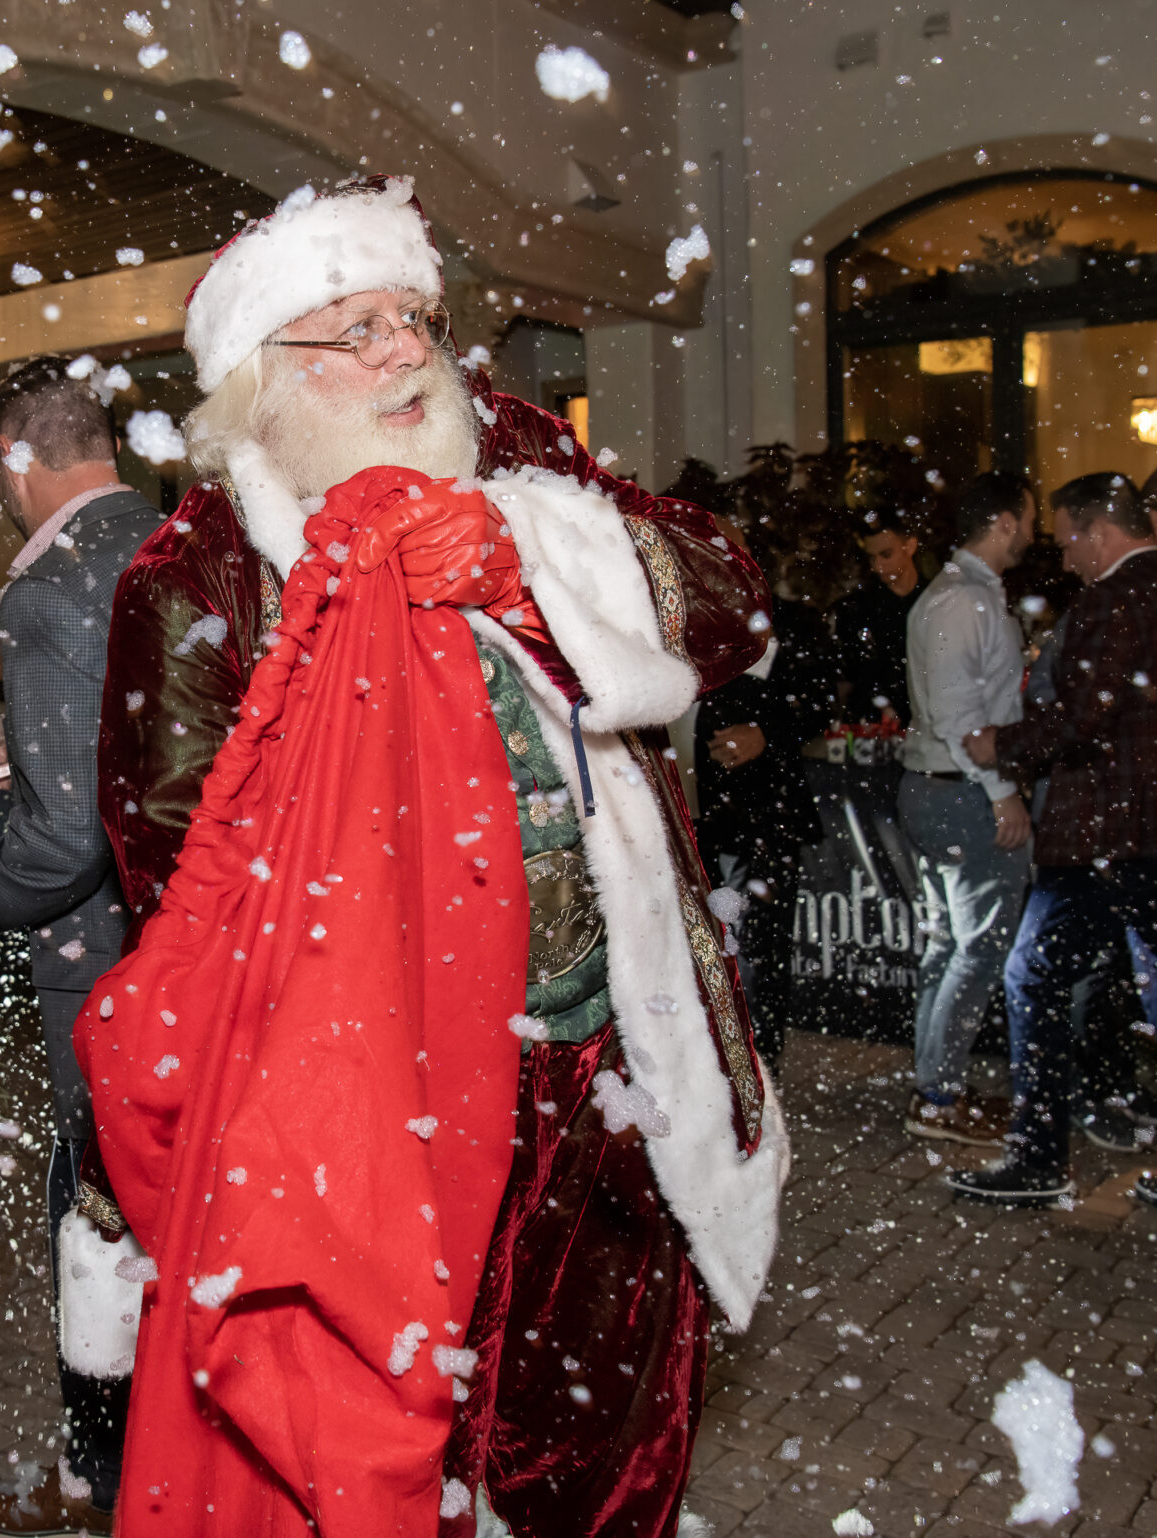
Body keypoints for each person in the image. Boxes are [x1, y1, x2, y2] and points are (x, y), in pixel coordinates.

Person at [79, 175, 787, 1538]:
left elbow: (729, 601)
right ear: (259, 383)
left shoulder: (516, 453)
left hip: (609, 1065)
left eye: (413, 315)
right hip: (386, 1114)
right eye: (350, 330)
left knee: (608, 1443)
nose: (404, 348)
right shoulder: (196, 579)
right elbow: (184, 881)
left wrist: (530, 556)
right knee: (392, 1451)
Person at [0, 357, 160, 1538]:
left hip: (103, 969)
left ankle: (99, 1481)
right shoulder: (180, 544)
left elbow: (65, 842)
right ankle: (172, 1469)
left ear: (14, 457)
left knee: (91, 1219)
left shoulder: (49, 585)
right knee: (168, 1218)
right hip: (193, 947)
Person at [950, 471, 1157, 1230]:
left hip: (1110, 838)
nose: (1064, 552)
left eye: (1069, 536)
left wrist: (998, 743)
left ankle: (1040, 1159)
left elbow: (1083, 720)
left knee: (1032, 975)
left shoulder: (1111, 604)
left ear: (1100, 532)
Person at [896, 471, 1036, 1147]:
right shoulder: (963, 600)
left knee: (951, 945)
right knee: (975, 950)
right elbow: (959, 715)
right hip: (960, 791)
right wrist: (1001, 792)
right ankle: (937, 1096)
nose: (1034, 531)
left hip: (943, 786)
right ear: (1005, 522)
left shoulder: (960, 594)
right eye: (1029, 518)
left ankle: (935, 1086)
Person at [690, 549, 837, 1076]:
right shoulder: (692, 617)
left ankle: (760, 1056)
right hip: (702, 808)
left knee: (764, 942)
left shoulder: (795, 623)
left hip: (770, 811)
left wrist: (767, 734)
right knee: (708, 939)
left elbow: (820, 702)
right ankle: (718, 1049)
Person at [833, 507, 925, 728]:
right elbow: (850, 677)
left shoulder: (936, 601)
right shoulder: (856, 609)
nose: (878, 566)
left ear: (910, 546)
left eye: (886, 554)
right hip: (874, 727)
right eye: (871, 558)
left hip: (925, 723)